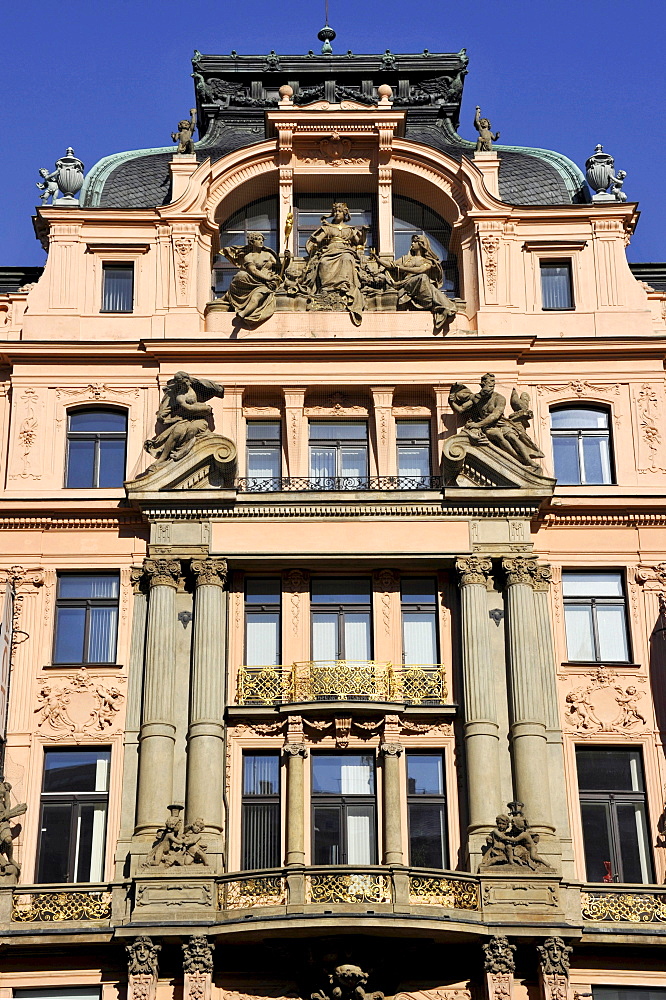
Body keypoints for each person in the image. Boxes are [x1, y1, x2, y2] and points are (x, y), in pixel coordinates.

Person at [303, 203, 368, 325]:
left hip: (345, 250)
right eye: (335, 211)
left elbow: (360, 242)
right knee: (323, 262)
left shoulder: (350, 229)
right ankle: (326, 288)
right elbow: (318, 238)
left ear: (345, 213)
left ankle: (344, 285)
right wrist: (317, 240)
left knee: (347, 259)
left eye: (340, 211)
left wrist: (364, 232)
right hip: (330, 251)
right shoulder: (328, 227)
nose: (337, 213)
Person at [144, 371, 224, 469]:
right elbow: (188, 408)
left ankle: (184, 451)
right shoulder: (179, 396)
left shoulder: (197, 386)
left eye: (185, 381)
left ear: (188, 379)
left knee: (194, 428)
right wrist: (205, 408)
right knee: (177, 432)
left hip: (199, 420)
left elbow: (216, 389)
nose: (185, 384)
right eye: (181, 383)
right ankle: (163, 458)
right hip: (185, 419)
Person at [392, 234, 456, 332]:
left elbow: (420, 270)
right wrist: (378, 260)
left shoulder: (428, 261)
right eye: (412, 242)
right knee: (425, 280)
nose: (412, 244)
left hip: (421, 285)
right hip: (406, 284)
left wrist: (401, 268)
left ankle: (446, 307)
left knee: (427, 282)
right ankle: (446, 306)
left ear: (421, 244)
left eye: (415, 242)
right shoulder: (406, 258)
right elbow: (391, 265)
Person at [221, 232, 281, 323]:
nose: (261, 242)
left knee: (256, 297)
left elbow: (280, 267)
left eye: (262, 240)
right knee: (240, 275)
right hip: (254, 280)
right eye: (258, 239)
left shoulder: (268, 255)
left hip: (265, 284)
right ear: (252, 242)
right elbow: (253, 270)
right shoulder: (248, 257)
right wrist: (267, 278)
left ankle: (244, 313)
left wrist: (288, 259)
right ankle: (235, 302)